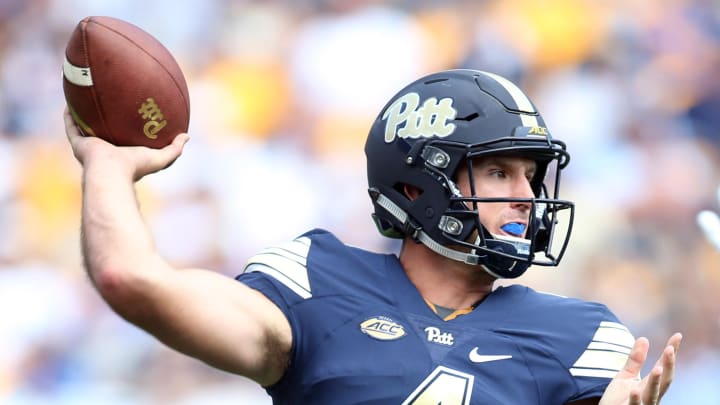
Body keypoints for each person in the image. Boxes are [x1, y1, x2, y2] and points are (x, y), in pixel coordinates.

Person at [65, 69, 681, 404]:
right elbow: (132, 281)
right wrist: (108, 168)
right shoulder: (312, 280)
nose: (526, 194)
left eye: (529, 173)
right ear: (416, 186)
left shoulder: (587, 338)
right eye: (498, 171)